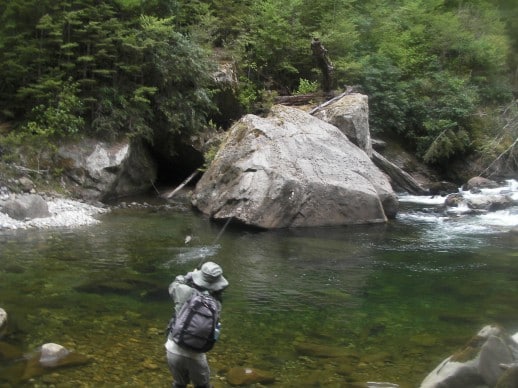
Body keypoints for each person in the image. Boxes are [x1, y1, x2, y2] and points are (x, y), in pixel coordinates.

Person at [165, 261, 229, 388]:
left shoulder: (183, 291)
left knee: (179, 384)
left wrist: (189, 275)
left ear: (199, 277)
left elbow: (174, 284)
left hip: (173, 348)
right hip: (196, 355)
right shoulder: (217, 304)